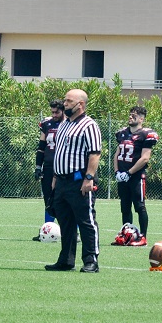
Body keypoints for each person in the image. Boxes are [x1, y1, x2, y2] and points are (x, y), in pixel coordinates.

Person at [46, 88, 102, 273]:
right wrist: (55, 177)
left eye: (69, 101)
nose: (65, 104)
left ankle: (91, 260)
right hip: (62, 181)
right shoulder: (64, 124)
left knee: (86, 221)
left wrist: (89, 178)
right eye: (65, 100)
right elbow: (60, 152)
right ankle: (66, 260)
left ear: (80, 104)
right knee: (65, 221)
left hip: (79, 181)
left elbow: (95, 154)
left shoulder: (89, 125)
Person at [111, 105, 158, 247]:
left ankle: (143, 237)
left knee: (139, 206)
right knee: (125, 207)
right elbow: (117, 154)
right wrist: (117, 172)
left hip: (136, 177)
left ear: (141, 119)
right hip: (122, 176)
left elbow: (145, 158)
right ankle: (126, 235)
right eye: (130, 114)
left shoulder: (146, 134)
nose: (130, 117)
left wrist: (129, 172)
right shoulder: (122, 133)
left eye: (134, 115)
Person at [32, 100, 64, 241]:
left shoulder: (69, 124)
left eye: (57, 112)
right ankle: (46, 230)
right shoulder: (47, 124)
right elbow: (41, 147)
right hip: (49, 167)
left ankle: (72, 233)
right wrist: (38, 166)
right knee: (48, 199)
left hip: (63, 168)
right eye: (52, 112)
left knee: (66, 200)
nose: (54, 115)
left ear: (63, 111)